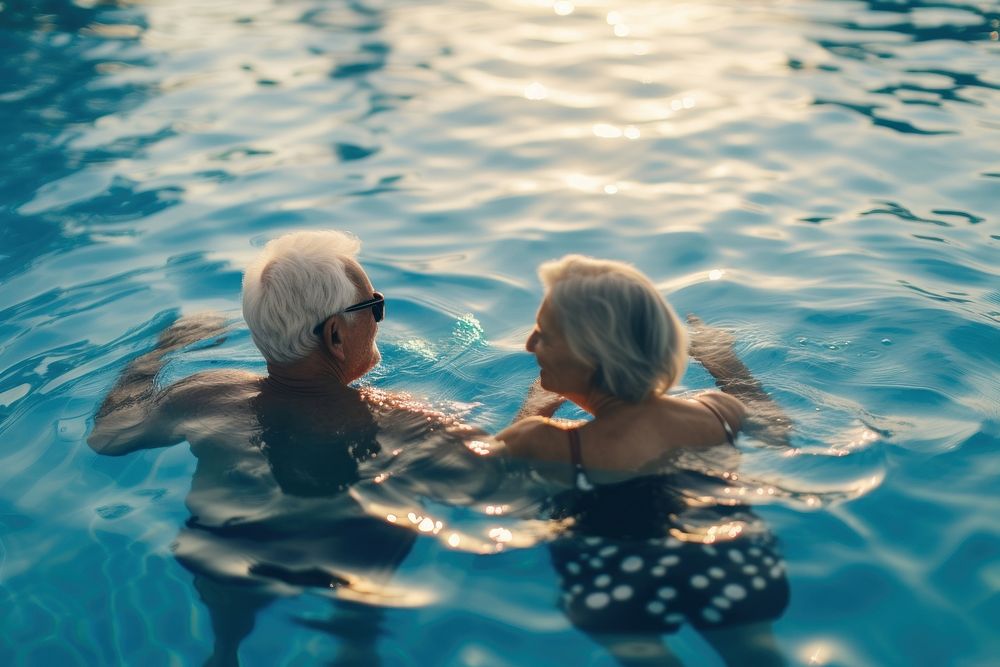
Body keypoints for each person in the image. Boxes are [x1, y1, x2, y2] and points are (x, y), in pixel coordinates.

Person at [88, 230, 493, 667]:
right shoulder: (405, 421)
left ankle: (225, 649)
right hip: (349, 554)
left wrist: (158, 353)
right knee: (381, 548)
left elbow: (108, 437)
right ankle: (356, 643)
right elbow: (497, 477)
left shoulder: (203, 395)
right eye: (373, 306)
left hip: (228, 548)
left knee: (222, 603)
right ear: (335, 335)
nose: (379, 318)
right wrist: (541, 402)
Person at [498, 255, 790, 667]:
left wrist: (534, 407)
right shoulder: (719, 412)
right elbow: (777, 431)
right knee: (756, 652)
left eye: (544, 336)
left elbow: (486, 473)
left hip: (615, 574)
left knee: (644, 656)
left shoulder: (543, 441)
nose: (529, 345)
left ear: (589, 355)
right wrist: (722, 361)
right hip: (726, 557)